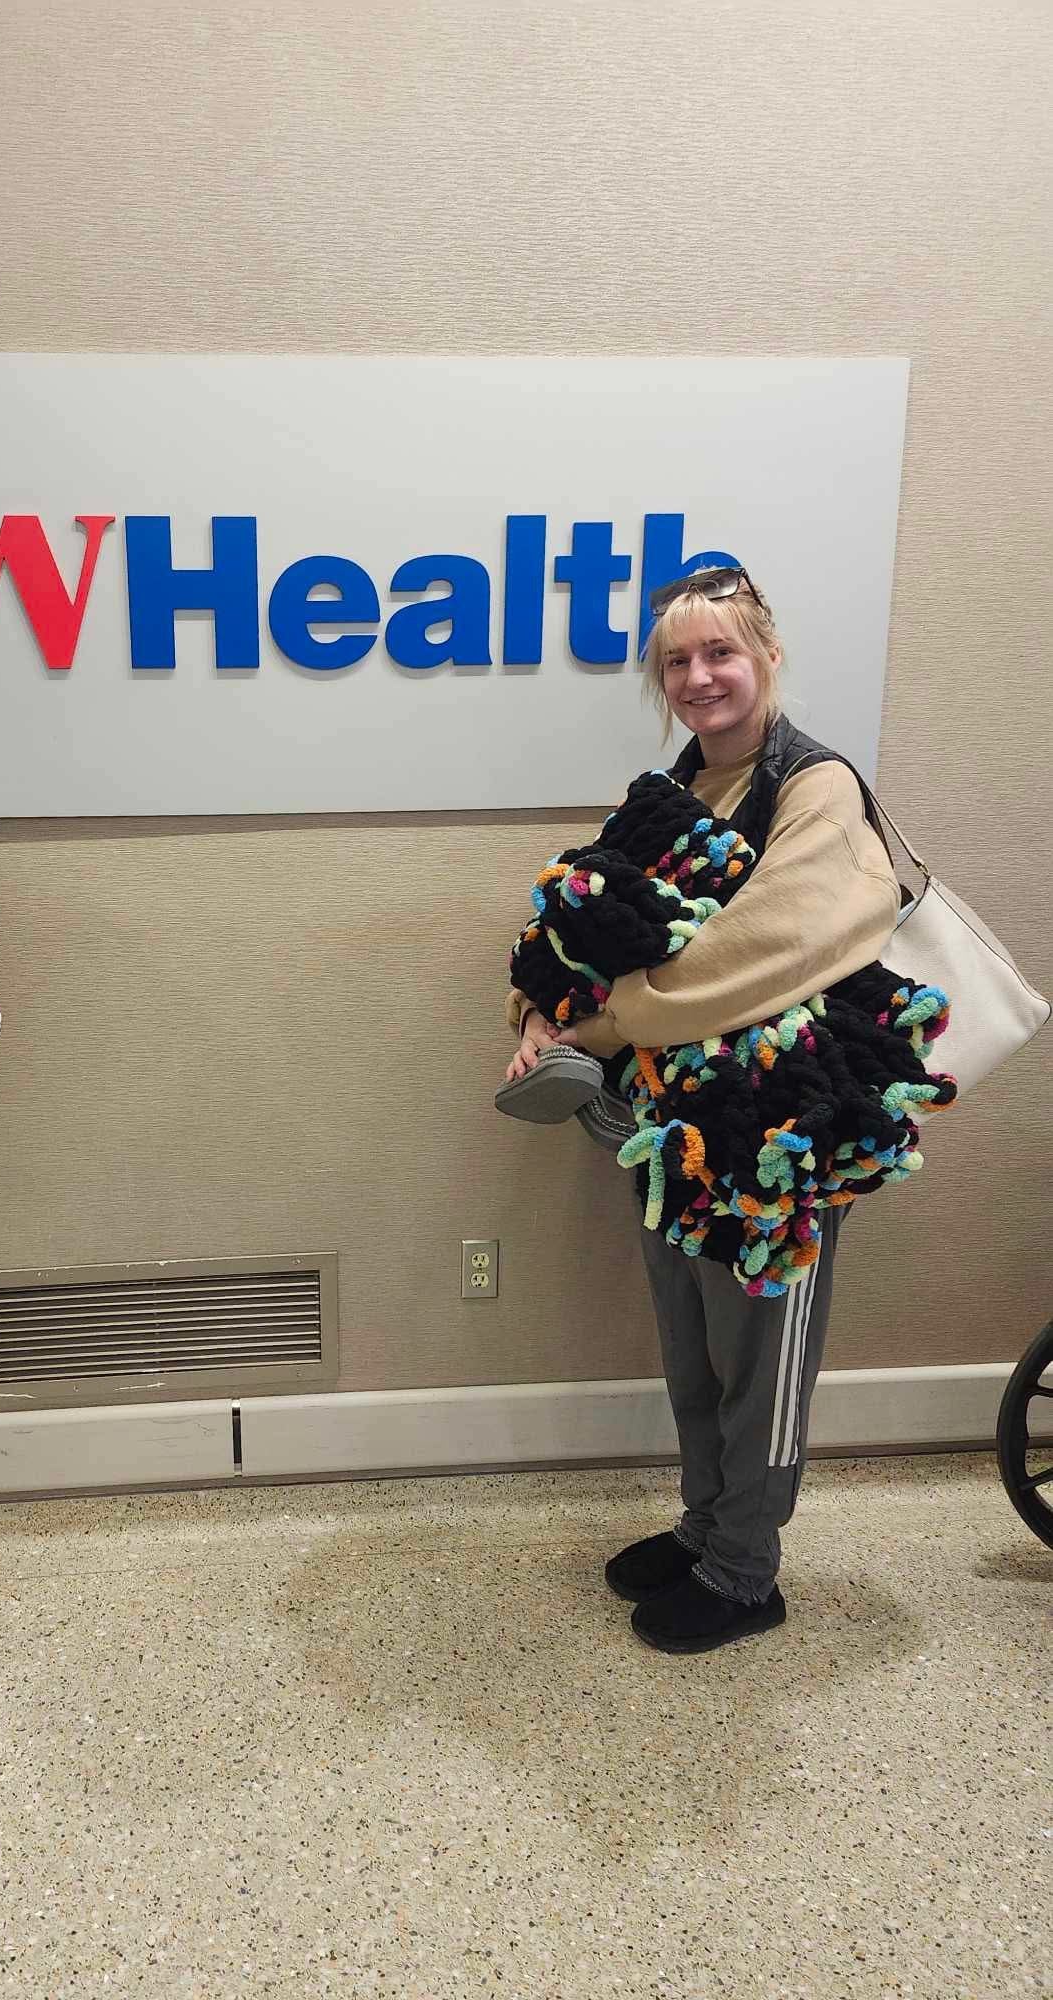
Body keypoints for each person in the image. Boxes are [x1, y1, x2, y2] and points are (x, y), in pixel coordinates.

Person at [504, 568, 901, 1654]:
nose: (699, 676)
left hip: (779, 1135)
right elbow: (585, 918)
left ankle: (746, 1569)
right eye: (677, 660)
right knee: (693, 1346)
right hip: (674, 1126)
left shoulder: (815, 789)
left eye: (721, 650)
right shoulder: (677, 784)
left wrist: (596, 1028)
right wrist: (536, 1007)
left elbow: (753, 954)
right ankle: (703, 1526)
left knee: (762, 1354)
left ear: (768, 654)